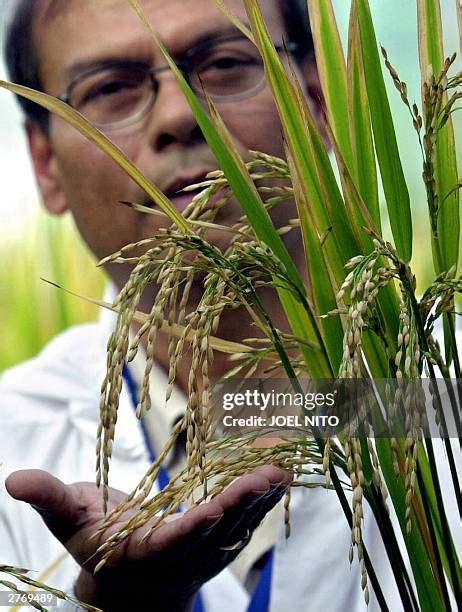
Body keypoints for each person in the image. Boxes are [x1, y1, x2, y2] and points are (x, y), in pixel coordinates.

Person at [0, 1, 412, 610]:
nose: (179, 113)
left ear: (320, 102)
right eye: (111, 88)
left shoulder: (438, 391)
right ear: (45, 165)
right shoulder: (11, 439)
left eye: (224, 63)